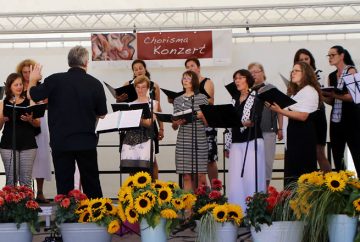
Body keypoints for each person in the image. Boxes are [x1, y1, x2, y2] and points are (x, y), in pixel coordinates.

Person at [28, 45, 107, 198]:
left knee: (64, 183)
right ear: (86, 62)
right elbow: (102, 114)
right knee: (91, 182)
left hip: (61, 141)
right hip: (86, 140)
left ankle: (66, 216)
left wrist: (33, 79)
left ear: (69, 62)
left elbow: (33, 95)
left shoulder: (54, 80)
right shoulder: (95, 84)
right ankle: (97, 215)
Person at [269, 62, 320, 186]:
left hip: (303, 136)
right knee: (292, 174)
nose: (293, 73)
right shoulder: (296, 92)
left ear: (306, 73)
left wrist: (279, 110)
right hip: (293, 135)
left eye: (297, 70)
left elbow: (303, 116)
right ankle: (291, 203)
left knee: (302, 173)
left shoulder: (309, 91)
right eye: (292, 71)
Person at [225, 69, 265, 210]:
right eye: (235, 78)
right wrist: (227, 145)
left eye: (240, 78)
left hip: (252, 140)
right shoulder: (234, 99)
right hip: (236, 142)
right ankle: (238, 211)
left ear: (248, 80)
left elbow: (254, 120)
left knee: (251, 178)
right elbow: (229, 121)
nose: (237, 81)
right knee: (236, 180)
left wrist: (241, 122)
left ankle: (253, 210)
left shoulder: (256, 97)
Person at [116, 59, 164, 179]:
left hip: (149, 127)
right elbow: (121, 103)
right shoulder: (128, 84)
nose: (138, 70)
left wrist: (162, 128)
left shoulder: (154, 85)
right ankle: (134, 189)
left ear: (145, 68)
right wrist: (119, 100)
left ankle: (155, 186)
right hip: (132, 129)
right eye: (135, 69)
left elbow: (158, 108)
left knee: (151, 159)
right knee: (132, 161)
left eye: (140, 68)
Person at [16, 59, 52, 203]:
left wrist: (44, 102)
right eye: (24, 72)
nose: (26, 75)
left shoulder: (41, 87)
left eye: (29, 72)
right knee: (24, 157)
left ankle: (40, 192)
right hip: (23, 124)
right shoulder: (17, 86)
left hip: (39, 122)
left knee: (41, 157)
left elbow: (49, 102)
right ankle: (25, 192)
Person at [323, 45, 360, 173]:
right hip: (335, 120)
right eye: (329, 55)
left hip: (351, 119)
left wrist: (334, 95)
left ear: (342, 55)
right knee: (337, 156)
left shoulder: (351, 71)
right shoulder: (331, 76)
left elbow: (354, 97)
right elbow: (332, 101)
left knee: (356, 153)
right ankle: (341, 188)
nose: (330, 58)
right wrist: (322, 96)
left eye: (332, 55)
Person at [293, 48, 332, 172]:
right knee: (305, 152)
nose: (304, 61)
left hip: (317, 114)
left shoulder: (319, 73)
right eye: (301, 60)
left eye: (306, 59)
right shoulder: (295, 77)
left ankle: (329, 186)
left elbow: (324, 96)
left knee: (319, 152)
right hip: (302, 119)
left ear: (311, 60)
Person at [0, 73, 40, 187]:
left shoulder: (29, 101)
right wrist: (2, 118)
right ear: (9, 87)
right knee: (11, 179)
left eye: (20, 84)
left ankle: (27, 204)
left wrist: (30, 120)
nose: (19, 87)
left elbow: (38, 124)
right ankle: (10, 204)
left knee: (26, 180)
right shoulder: (3, 103)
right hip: (8, 145)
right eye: (16, 85)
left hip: (28, 144)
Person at [172, 70, 208, 191]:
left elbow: (208, 123)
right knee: (186, 176)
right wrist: (177, 122)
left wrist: (202, 116)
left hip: (199, 139)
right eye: (184, 78)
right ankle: (189, 208)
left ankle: (202, 205)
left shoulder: (202, 98)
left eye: (188, 78)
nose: (185, 80)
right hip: (183, 140)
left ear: (194, 81)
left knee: (200, 175)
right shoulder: (177, 100)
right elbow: (174, 126)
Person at [248, 62, 283, 186]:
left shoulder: (271, 88)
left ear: (263, 72)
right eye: (251, 73)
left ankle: (266, 191)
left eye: (256, 71)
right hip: (251, 132)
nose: (254, 75)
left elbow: (280, 109)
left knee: (267, 162)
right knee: (252, 163)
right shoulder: (247, 90)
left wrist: (280, 128)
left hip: (268, 130)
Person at [185, 58, 218, 182]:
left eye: (192, 65)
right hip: (192, 124)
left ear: (198, 67)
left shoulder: (207, 81)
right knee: (193, 160)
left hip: (207, 122)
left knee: (210, 158)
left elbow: (209, 100)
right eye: (187, 66)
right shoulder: (187, 85)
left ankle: (216, 190)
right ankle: (198, 191)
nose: (190, 68)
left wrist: (192, 97)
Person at [120, 75, 160, 173]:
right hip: (130, 139)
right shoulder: (130, 104)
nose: (140, 90)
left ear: (148, 88)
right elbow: (125, 123)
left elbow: (150, 123)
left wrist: (137, 120)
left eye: (143, 87)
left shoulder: (153, 103)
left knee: (147, 169)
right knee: (132, 171)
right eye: (138, 87)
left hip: (146, 138)